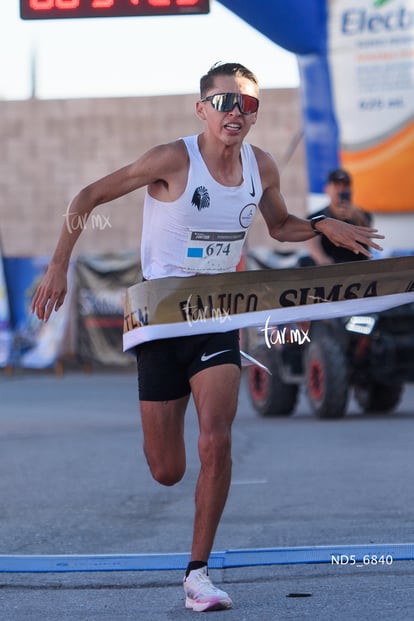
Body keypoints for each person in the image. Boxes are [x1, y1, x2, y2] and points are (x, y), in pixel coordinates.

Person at [31, 62, 383, 612]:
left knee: (216, 437)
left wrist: (321, 224)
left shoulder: (261, 166)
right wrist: (57, 266)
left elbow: (280, 225)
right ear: (201, 109)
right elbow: (85, 198)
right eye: (224, 102)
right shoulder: (172, 159)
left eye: (247, 104)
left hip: (218, 312)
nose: (235, 113)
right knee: (167, 469)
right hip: (159, 315)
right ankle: (169, 465)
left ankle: (198, 573)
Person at [306, 168, 373, 265]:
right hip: (329, 267)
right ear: (327, 189)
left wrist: (358, 217)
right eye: (337, 185)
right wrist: (324, 262)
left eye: (345, 185)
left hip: (357, 265)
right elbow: (312, 244)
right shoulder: (315, 217)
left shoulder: (361, 215)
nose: (341, 189)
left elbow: (368, 234)